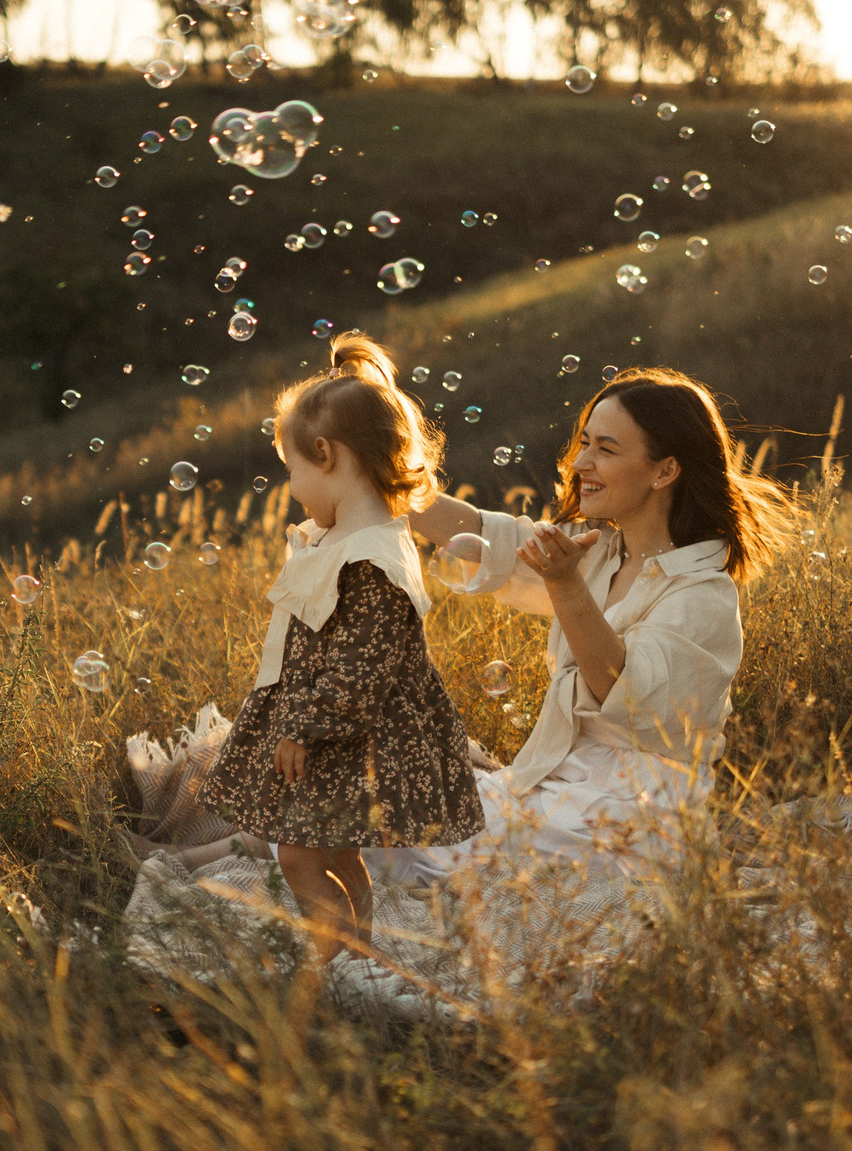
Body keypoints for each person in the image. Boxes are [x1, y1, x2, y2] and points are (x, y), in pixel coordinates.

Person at [367, 365, 790, 890]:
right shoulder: (601, 549)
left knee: (384, 830)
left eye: (605, 449)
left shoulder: (702, 593)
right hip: (555, 785)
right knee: (367, 805)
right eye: (584, 442)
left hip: (631, 819)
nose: (580, 463)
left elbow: (625, 694)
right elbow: (487, 536)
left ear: (664, 471)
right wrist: (386, 485)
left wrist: (565, 585)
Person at [190, 334, 486, 963]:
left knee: (299, 855)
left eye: (292, 470)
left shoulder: (371, 557)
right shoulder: (349, 538)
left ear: (325, 455)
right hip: (338, 729)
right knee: (335, 849)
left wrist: (303, 726)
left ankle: (333, 957)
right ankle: (361, 951)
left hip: (343, 732)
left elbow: (361, 668)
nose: (293, 488)